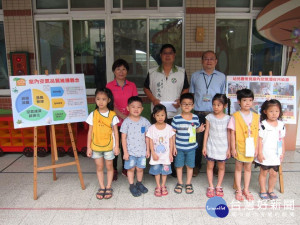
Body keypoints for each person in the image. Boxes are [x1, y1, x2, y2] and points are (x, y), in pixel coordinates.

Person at [143, 44, 189, 177]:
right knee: (156, 139)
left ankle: (173, 168)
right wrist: (153, 99)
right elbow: (146, 88)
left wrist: (180, 100)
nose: (167, 55)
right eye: (164, 53)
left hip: (176, 113)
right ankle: (155, 167)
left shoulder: (181, 72)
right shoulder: (152, 72)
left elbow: (186, 88)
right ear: (161, 56)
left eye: (170, 53)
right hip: (158, 113)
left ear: (174, 56)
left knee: (172, 140)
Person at [189, 50, 226, 177]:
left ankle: (215, 165)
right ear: (202, 61)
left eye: (212, 59)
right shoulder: (195, 76)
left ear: (216, 61)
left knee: (215, 140)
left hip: (215, 114)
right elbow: (193, 94)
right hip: (199, 113)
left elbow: (222, 96)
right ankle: (196, 166)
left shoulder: (222, 77)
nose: (209, 61)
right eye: (206, 59)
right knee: (197, 141)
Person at [106, 59, 138, 181]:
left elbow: (135, 103)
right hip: (114, 122)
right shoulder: (109, 86)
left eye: (124, 69)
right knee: (115, 146)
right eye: (118, 69)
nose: (121, 71)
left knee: (128, 146)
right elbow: (109, 103)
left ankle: (126, 167)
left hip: (129, 123)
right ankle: (113, 169)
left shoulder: (132, 85)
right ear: (114, 71)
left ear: (127, 71)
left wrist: (129, 117)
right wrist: (122, 116)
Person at [86, 88, 120, 200]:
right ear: (95, 100)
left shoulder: (112, 115)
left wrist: (116, 147)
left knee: (109, 166)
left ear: (109, 100)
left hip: (109, 146)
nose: (100, 102)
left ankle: (108, 186)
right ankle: (101, 186)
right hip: (96, 146)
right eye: (98, 99)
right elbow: (90, 131)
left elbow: (115, 131)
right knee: (99, 167)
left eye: (104, 99)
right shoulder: (93, 114)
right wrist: (88, 148)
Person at [228, 89, 259, 201]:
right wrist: (232, 148)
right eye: (245, 100)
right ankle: (239, 190)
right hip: (239, 146)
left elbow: (258, 134)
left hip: (251, 147)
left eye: (250, 100)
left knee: (248, 168)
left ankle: (246, 189)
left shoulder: (256, 116)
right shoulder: (235, 116)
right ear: (239, 101)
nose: (247, 103)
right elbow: (232, 133)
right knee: (238, 168)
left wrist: (257, 148)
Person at [171, 93, 205, 194]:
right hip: (179, 147)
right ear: (180, 105)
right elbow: (173, 134)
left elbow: (196, 130)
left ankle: (188, 183)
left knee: (190, 166)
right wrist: (173, 147)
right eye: (184, 104)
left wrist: (200, 129)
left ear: (193, 105)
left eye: (189, 104)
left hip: (191, 148)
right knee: (179, 166)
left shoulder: (195, 118)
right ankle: (180, 182)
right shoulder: (176, 118)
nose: (187, 106)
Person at [120, 96, 151, 197]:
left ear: (142, 109)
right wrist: (125, 152)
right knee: (131, 169)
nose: (136, 109)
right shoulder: (126, 122)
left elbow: (147, 137)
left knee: (140, 169)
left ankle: (139, 183)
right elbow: (123, 138)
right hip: (130, 152)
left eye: (138, 107)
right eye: (133, 107)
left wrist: (148, 150)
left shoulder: (145, 122)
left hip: (142, 152)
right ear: (128, 108)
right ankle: (132, 185)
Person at [255, 99, 285, 200]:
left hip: (276, 153)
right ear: (265, 111)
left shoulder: (281, 124)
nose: (274, 114)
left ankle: (270, 190)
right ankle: (263, 190)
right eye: (271, 111)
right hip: (265, 153)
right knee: (264, 172)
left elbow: (282, 139)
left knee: (273, 173)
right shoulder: (263, 124)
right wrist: (259, 153)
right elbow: (259, 140)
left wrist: (282, 152)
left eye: (276, 111)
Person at [202, 94, 231, 198]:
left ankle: (219, 186)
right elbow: (206, 132)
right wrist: (204, 146)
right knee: (210, 166)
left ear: (225, 106)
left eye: (218, 105)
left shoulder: (228, 118)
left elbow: (229, 134)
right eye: (214, 104)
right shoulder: (209, 117)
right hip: (211, 145)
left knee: (221, 167)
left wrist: (229, 148)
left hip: (223, 147)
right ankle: (211, 186)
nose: (215, 107)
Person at [146, 104, 175, 197]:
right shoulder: (151, 128)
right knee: (156, 171)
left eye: (162, 115)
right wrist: (152, 153)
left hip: (166, 155)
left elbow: (171, 141)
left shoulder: (169, 128)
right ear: (154, 116)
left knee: (164, 171)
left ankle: (163, 185)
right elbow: (150, 142)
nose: (160, 117)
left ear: (166, 115)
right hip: (156, 156)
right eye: (158, 115)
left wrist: (171, 153)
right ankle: (158, 186)